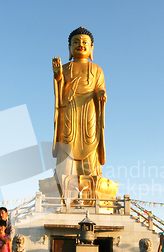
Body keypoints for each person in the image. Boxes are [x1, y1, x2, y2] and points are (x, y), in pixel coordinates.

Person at [52, 26, 107, 177]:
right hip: (69, 107)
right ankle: (64, 174)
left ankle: (90, 174)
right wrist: (58, 76)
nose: (80, 45)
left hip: (89, 108)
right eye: (76, 42)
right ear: (70, 47)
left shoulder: (96, 69)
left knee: (90, 137)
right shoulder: (65, 68)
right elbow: (59, 89)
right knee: (67, 138)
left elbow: (99, 87)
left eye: (84, 42)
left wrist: (101, 94)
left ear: (91, 48)